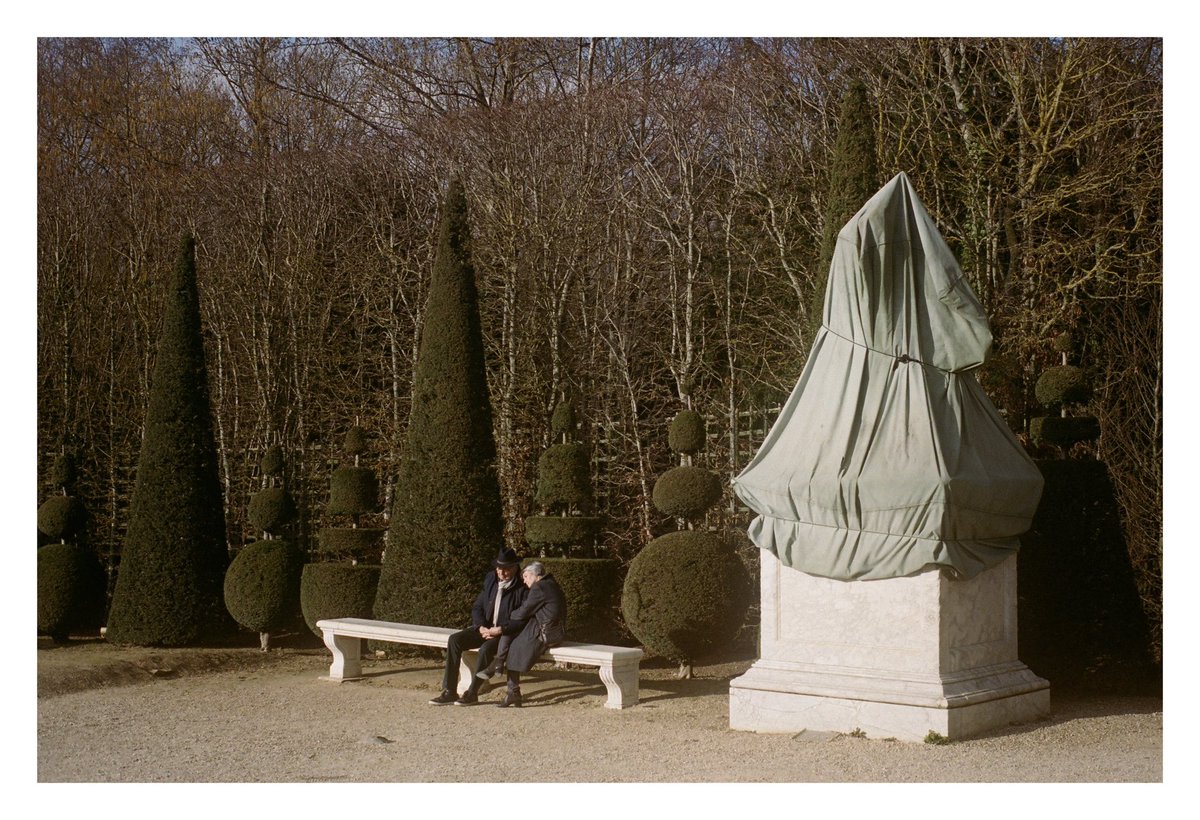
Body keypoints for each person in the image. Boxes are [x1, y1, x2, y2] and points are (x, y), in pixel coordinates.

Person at [428, 547, 528, 706]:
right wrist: (481, 627)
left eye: (506, 569)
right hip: (485, 629)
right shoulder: (491, 580)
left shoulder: (523, 588)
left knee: (486, 649)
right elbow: (477, 607)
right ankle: (450, 691)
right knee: (454, 640)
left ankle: (472, 692)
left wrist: (500, 630)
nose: (501, 573)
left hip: (505, 633)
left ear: (515, 567)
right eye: (499, 568)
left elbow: (522, 619)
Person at [493, 561, 567, 708]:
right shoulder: (551, 584)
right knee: (513, 641)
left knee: (514, 647)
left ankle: (510, 689)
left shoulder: (539, 587)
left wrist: (509, 615)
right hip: (554, 631)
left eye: (526, 576)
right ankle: (499, 668)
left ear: (535, 575)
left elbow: (524, 611)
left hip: (545, 633)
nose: (524, 580)